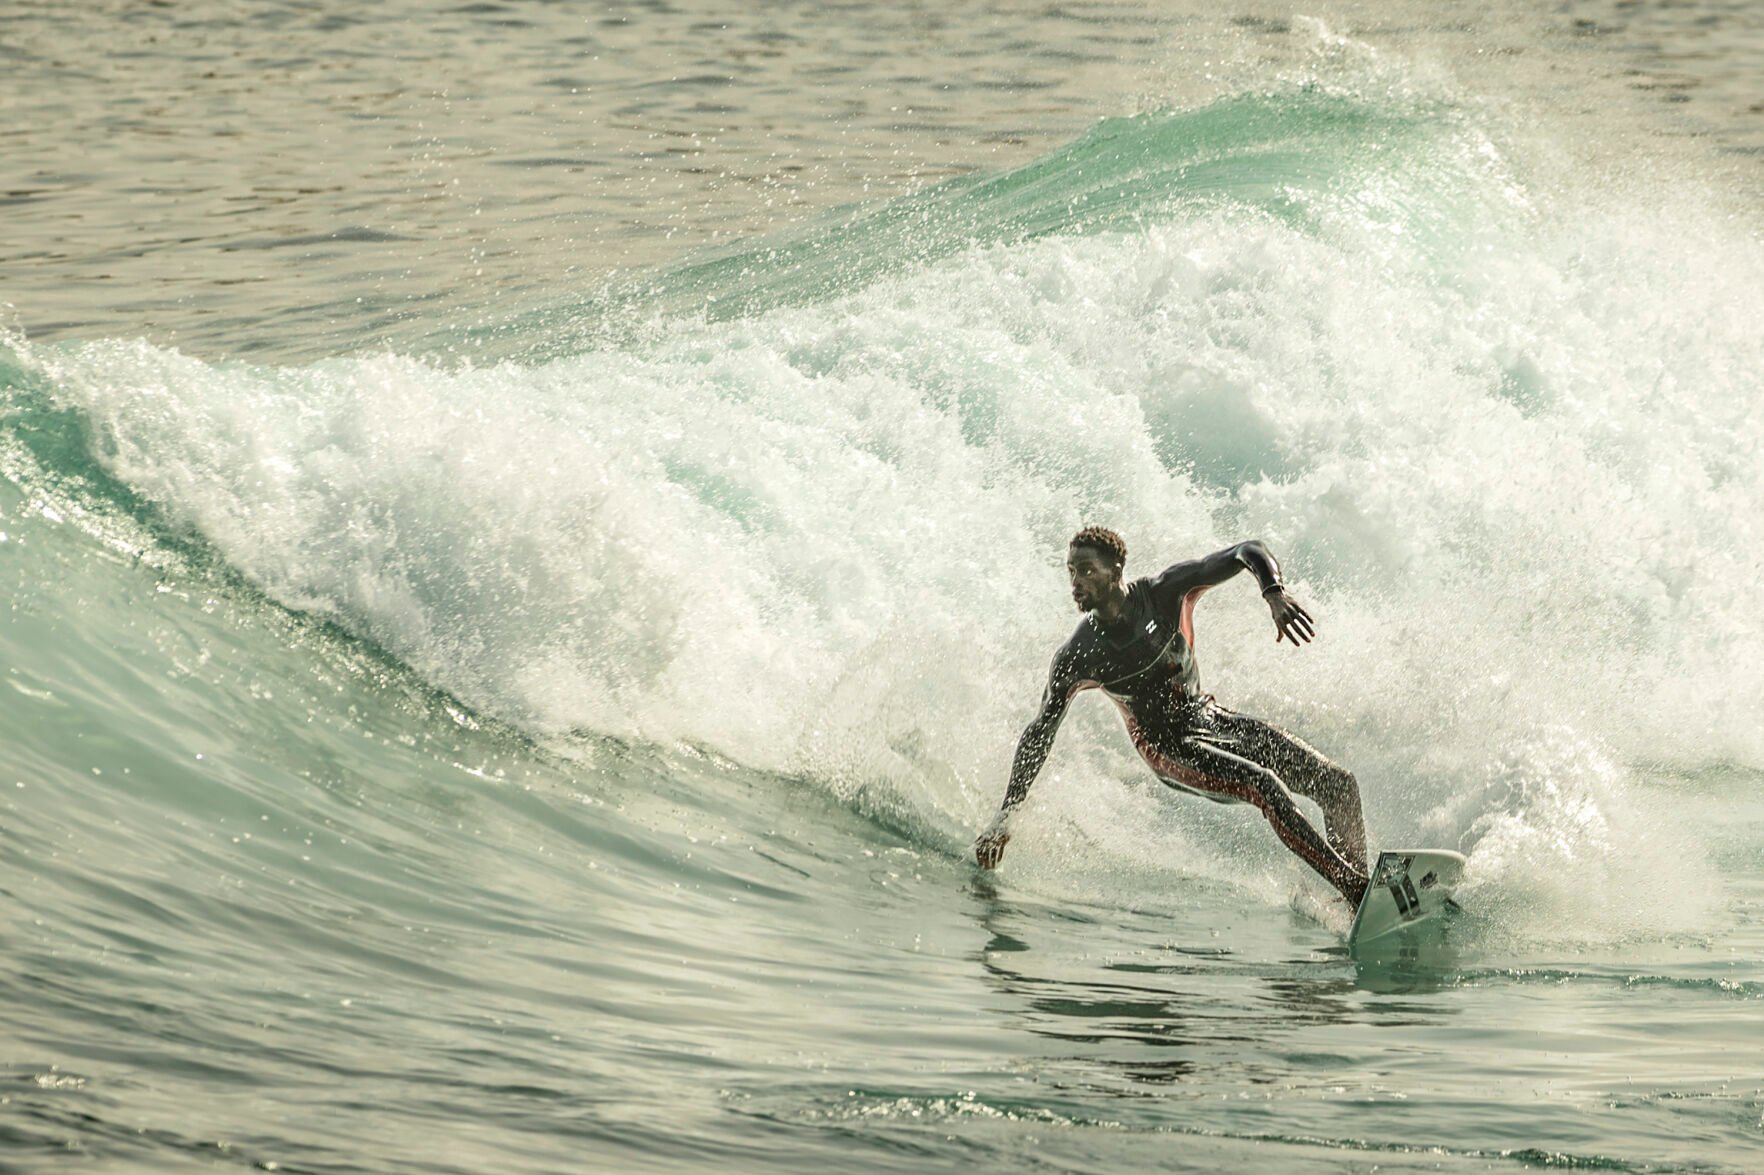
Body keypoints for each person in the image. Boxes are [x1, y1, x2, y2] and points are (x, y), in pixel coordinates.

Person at [973, 526, 1370, 905]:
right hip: (1166, 747)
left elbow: (1246, 550)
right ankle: (1355, 889)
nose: (1076, 582)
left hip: (1209, 717)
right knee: (1263, 784)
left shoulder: (1165, 593)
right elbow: (1040, 731)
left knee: (1338, 783)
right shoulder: (1079, 654)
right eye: (1071, 572)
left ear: (1115, 572)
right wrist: (1005, 816)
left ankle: (1359, 899)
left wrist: (1273, 593)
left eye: (1087, 571)